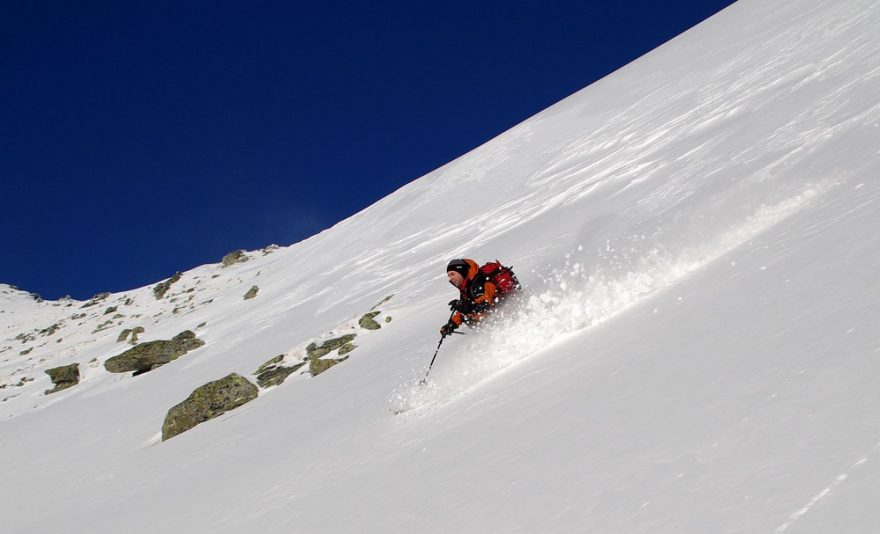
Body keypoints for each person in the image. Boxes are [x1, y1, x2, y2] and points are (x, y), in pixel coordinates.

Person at [440, 258, 519, 337]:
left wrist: (463, 305)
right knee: (468, 318)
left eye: (453, 274)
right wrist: (451, 324)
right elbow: (464, 310)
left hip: (509, 314)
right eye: (449, 276)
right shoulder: (467, 286)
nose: (450, 278)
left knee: (471, 316)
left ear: (462, 272)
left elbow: (484, 304)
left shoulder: (480, 281)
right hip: (496, 319)